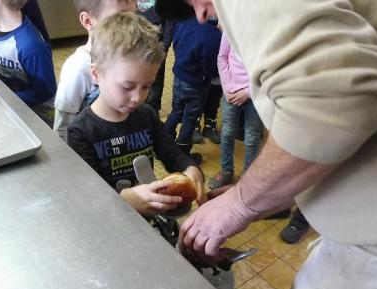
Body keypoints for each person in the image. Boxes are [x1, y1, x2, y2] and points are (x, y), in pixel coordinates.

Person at [155, 0, 377, 289]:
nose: (201, 15)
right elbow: (302, 97)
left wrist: (241, 203)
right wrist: (265, 191)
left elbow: (334, 102)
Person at [67, 12, 205, 217]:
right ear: (96, 75)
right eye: (127, 86)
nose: (137, 97)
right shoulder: (80, 132)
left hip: (150, 217)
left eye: (146, 86)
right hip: (112, 220)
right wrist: (123, 199)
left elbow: (172, 154)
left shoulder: (146, 115)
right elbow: (89, 196)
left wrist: (190, 169)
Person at [53, 0, 137, 142]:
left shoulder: (129, 58)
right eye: (119, 19)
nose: (131, 28)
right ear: (88, 21)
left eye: (134, 18)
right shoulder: (77, 69)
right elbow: (62, 127)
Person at [0, 0, 56, 126]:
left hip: (34, 119)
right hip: (1, 110)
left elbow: (46, 92)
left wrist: (4, 98)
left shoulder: (31, 46)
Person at [208, 33, 264, 189]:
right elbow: (222, 58)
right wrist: (227, 89)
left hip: (255, 95)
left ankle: (248, 177)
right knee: (227, 133)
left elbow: (268, 73)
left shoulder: (264, 34)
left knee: (252, 138)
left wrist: (246, 93)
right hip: (231, 92)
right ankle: (226, 170)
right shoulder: (230, 28)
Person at [163, 16, 221, 164]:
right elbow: (210, 64)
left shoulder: (183, 21)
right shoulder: (213, 35)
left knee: (176, 111)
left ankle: (163, 144)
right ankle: (182, 152)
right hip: (196, 83)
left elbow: (176, 44)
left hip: (178, 75)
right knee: (190, 119)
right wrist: (209, 76)